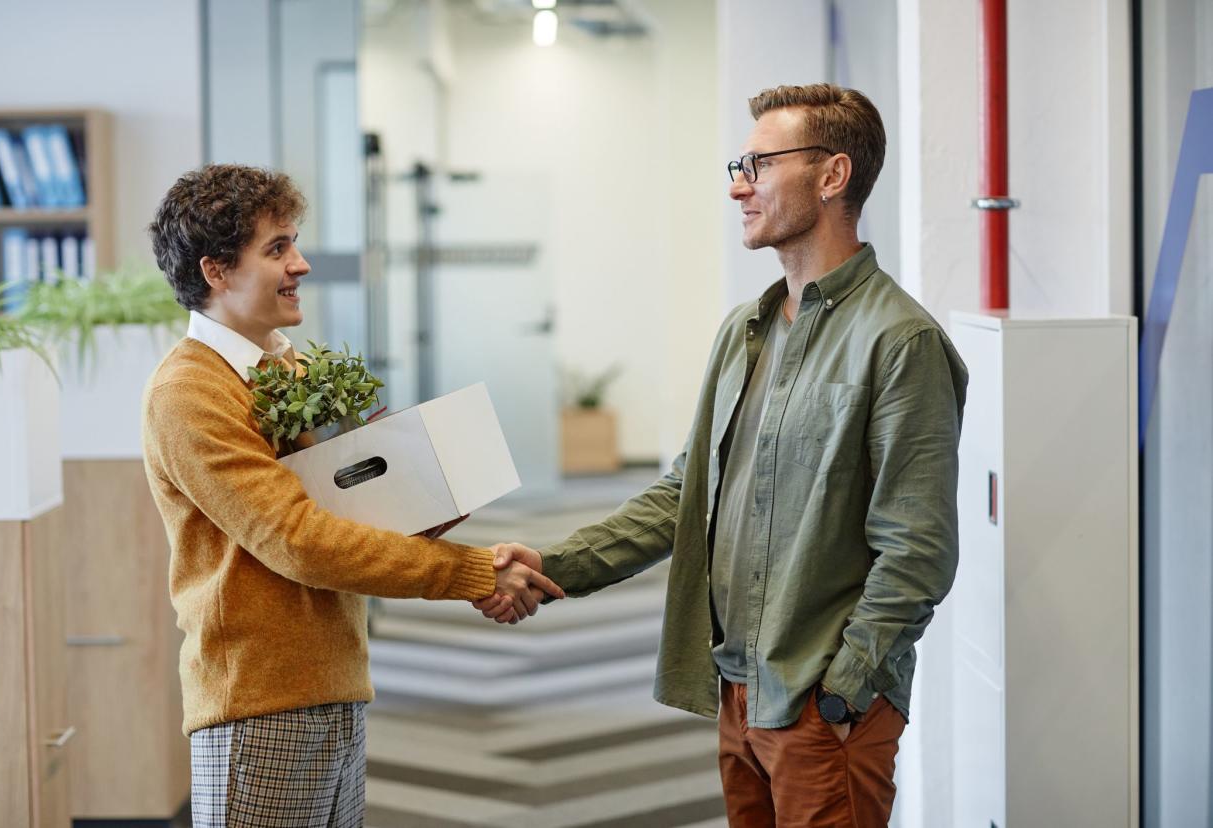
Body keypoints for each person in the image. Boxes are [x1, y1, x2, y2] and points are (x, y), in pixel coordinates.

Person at [479, 83, 968, 827]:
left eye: (760, 164)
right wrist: (555, 567)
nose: (739, 185)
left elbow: (918, 551)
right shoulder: (748, 329)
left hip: (819, 701)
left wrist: (842, 689)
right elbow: (686, 495)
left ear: (832, 176)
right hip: (738, 689)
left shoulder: (899, 342)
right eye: (737, 165)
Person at [142, 163, 563, 828]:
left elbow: (353, 519)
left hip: (334, 679)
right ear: (217, 271)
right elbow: (299, 540)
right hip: (260, 699)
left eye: (295, 243)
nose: (301, 264)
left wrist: (435, 499)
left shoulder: (291, 368)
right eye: (277, 248)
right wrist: (473, 572)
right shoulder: (190, 392)